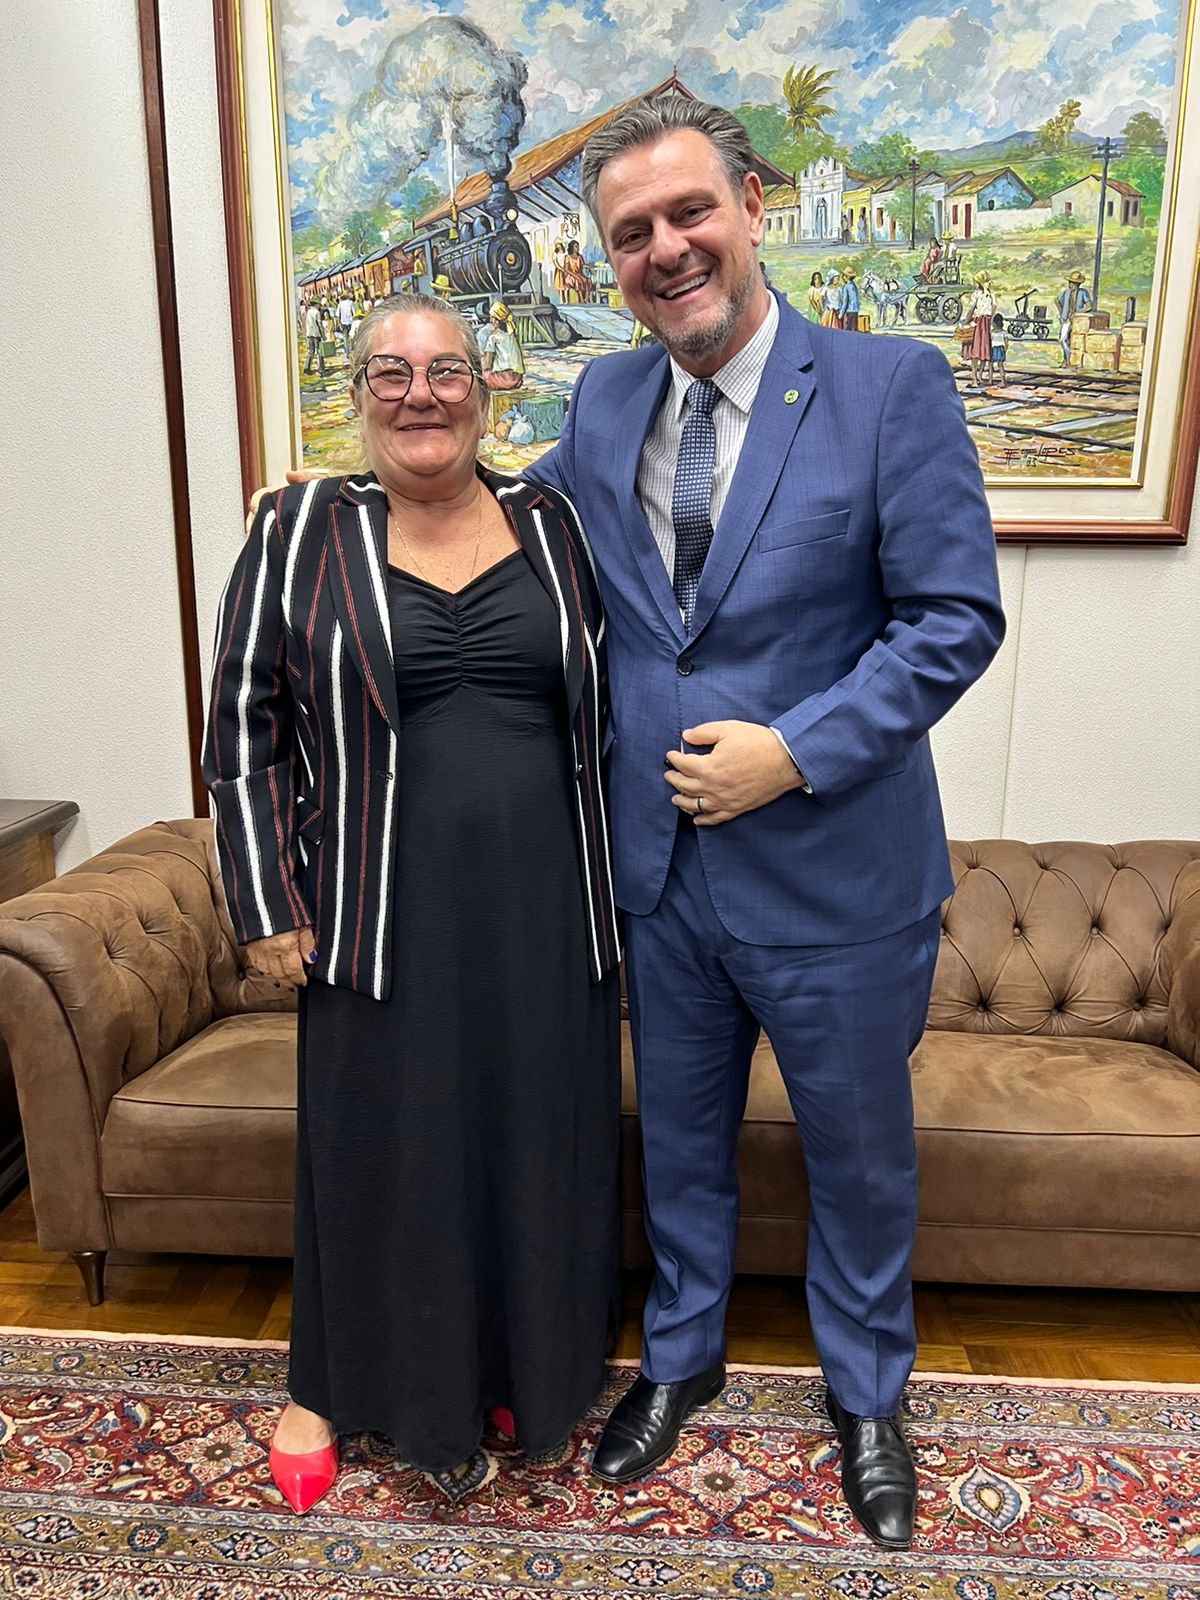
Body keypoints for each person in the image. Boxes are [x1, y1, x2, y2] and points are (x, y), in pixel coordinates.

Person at [527, 94, 1004, 1550]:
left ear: (750, 208)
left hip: (837, 880)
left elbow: (953, 619)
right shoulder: (603, 401)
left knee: (857, 1159)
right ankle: (680, 1361)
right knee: (677, 1146)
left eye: (689, 213)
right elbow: (508, 531)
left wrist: (792, 753)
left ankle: (868, 1397)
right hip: (662, 876)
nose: (665, 248)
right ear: (610, 262)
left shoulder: (889, 385)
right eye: (631, 233)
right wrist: (355, 506)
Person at [204, 293, 620, 1514]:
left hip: (546, 910)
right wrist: (265, 901)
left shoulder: (552, 521)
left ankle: (513, 1371)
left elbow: (610, 691)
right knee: (379, 1149)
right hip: (372, 910)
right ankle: (326, 1385)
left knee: (530, 1142)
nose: (420, 393)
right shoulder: (295, 526)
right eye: (391, 372)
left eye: (446, 371)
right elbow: (240, 731)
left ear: (485, 393)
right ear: (356, 396)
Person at [478, 300, 525, 389]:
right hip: (517, 379)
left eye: (492, 318)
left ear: (496, 320)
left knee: (482, 375)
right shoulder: (512, 336)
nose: (490, 320)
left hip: (502, 380)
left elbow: (487, 364)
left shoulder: (493, 337)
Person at [964, 270, 998, 384]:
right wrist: (990, 322)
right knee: (982, 350)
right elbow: (993, 309)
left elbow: (971, 309)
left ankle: (976, 377)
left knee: (978, 351)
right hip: (985, 323)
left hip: (979, 323)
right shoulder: (991, 295)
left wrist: (965, 322)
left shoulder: (978, 294)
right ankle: (977, 376)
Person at [1056, 270, 1093, 366]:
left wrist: (1078, 313)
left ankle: (1068, 360)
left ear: (1077, 284)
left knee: (1072, 340)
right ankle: (1067, 358)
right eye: (1069, 282)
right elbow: (1057, 301)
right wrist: (1061, 313)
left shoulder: (1083, 293)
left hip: (1077, 320)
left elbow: (1089, 306)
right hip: (1066, 319)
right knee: (1063, 339)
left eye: (1072, 283)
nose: (1070, 285)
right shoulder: (1066, 293)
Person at [303, 299, 325, 377]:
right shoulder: (317, 312)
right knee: (319, 352)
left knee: (311, 352)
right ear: (316, 305)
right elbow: (319, 324)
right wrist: (323, 334)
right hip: (316, 334)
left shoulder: (308, 312)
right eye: (318, 304)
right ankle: (321, 370)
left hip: (309, 334)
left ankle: (306, 368)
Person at [990, 311, 1008, 381]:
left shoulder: (992, 332)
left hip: (993, 349)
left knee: (991, 364)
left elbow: (990, 341)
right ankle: (1003, 381)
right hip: (1001, 349)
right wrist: (1005, 350)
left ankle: (990, 380)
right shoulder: (1004, 332)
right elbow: (1006, 343)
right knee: (1000, 365)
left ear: (994, 323)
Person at [336, 291, 355, 359]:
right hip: (351, 322)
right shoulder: (351, 303)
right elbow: (354, 313)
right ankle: (352, 351)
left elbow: (337, 315)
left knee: (345, 338)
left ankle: (347, 352)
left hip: (343, 323)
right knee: (352, 337)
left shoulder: (340, 304)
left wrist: (339, 323)